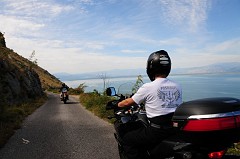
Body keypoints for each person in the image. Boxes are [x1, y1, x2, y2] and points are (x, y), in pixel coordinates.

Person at [118, 50, 182, 159]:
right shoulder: (177, 86)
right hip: (174, 129)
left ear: (151, 67)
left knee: (127, 139)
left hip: (156, 131)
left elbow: (129, 102)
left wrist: (118, 104)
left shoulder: (148, 87)